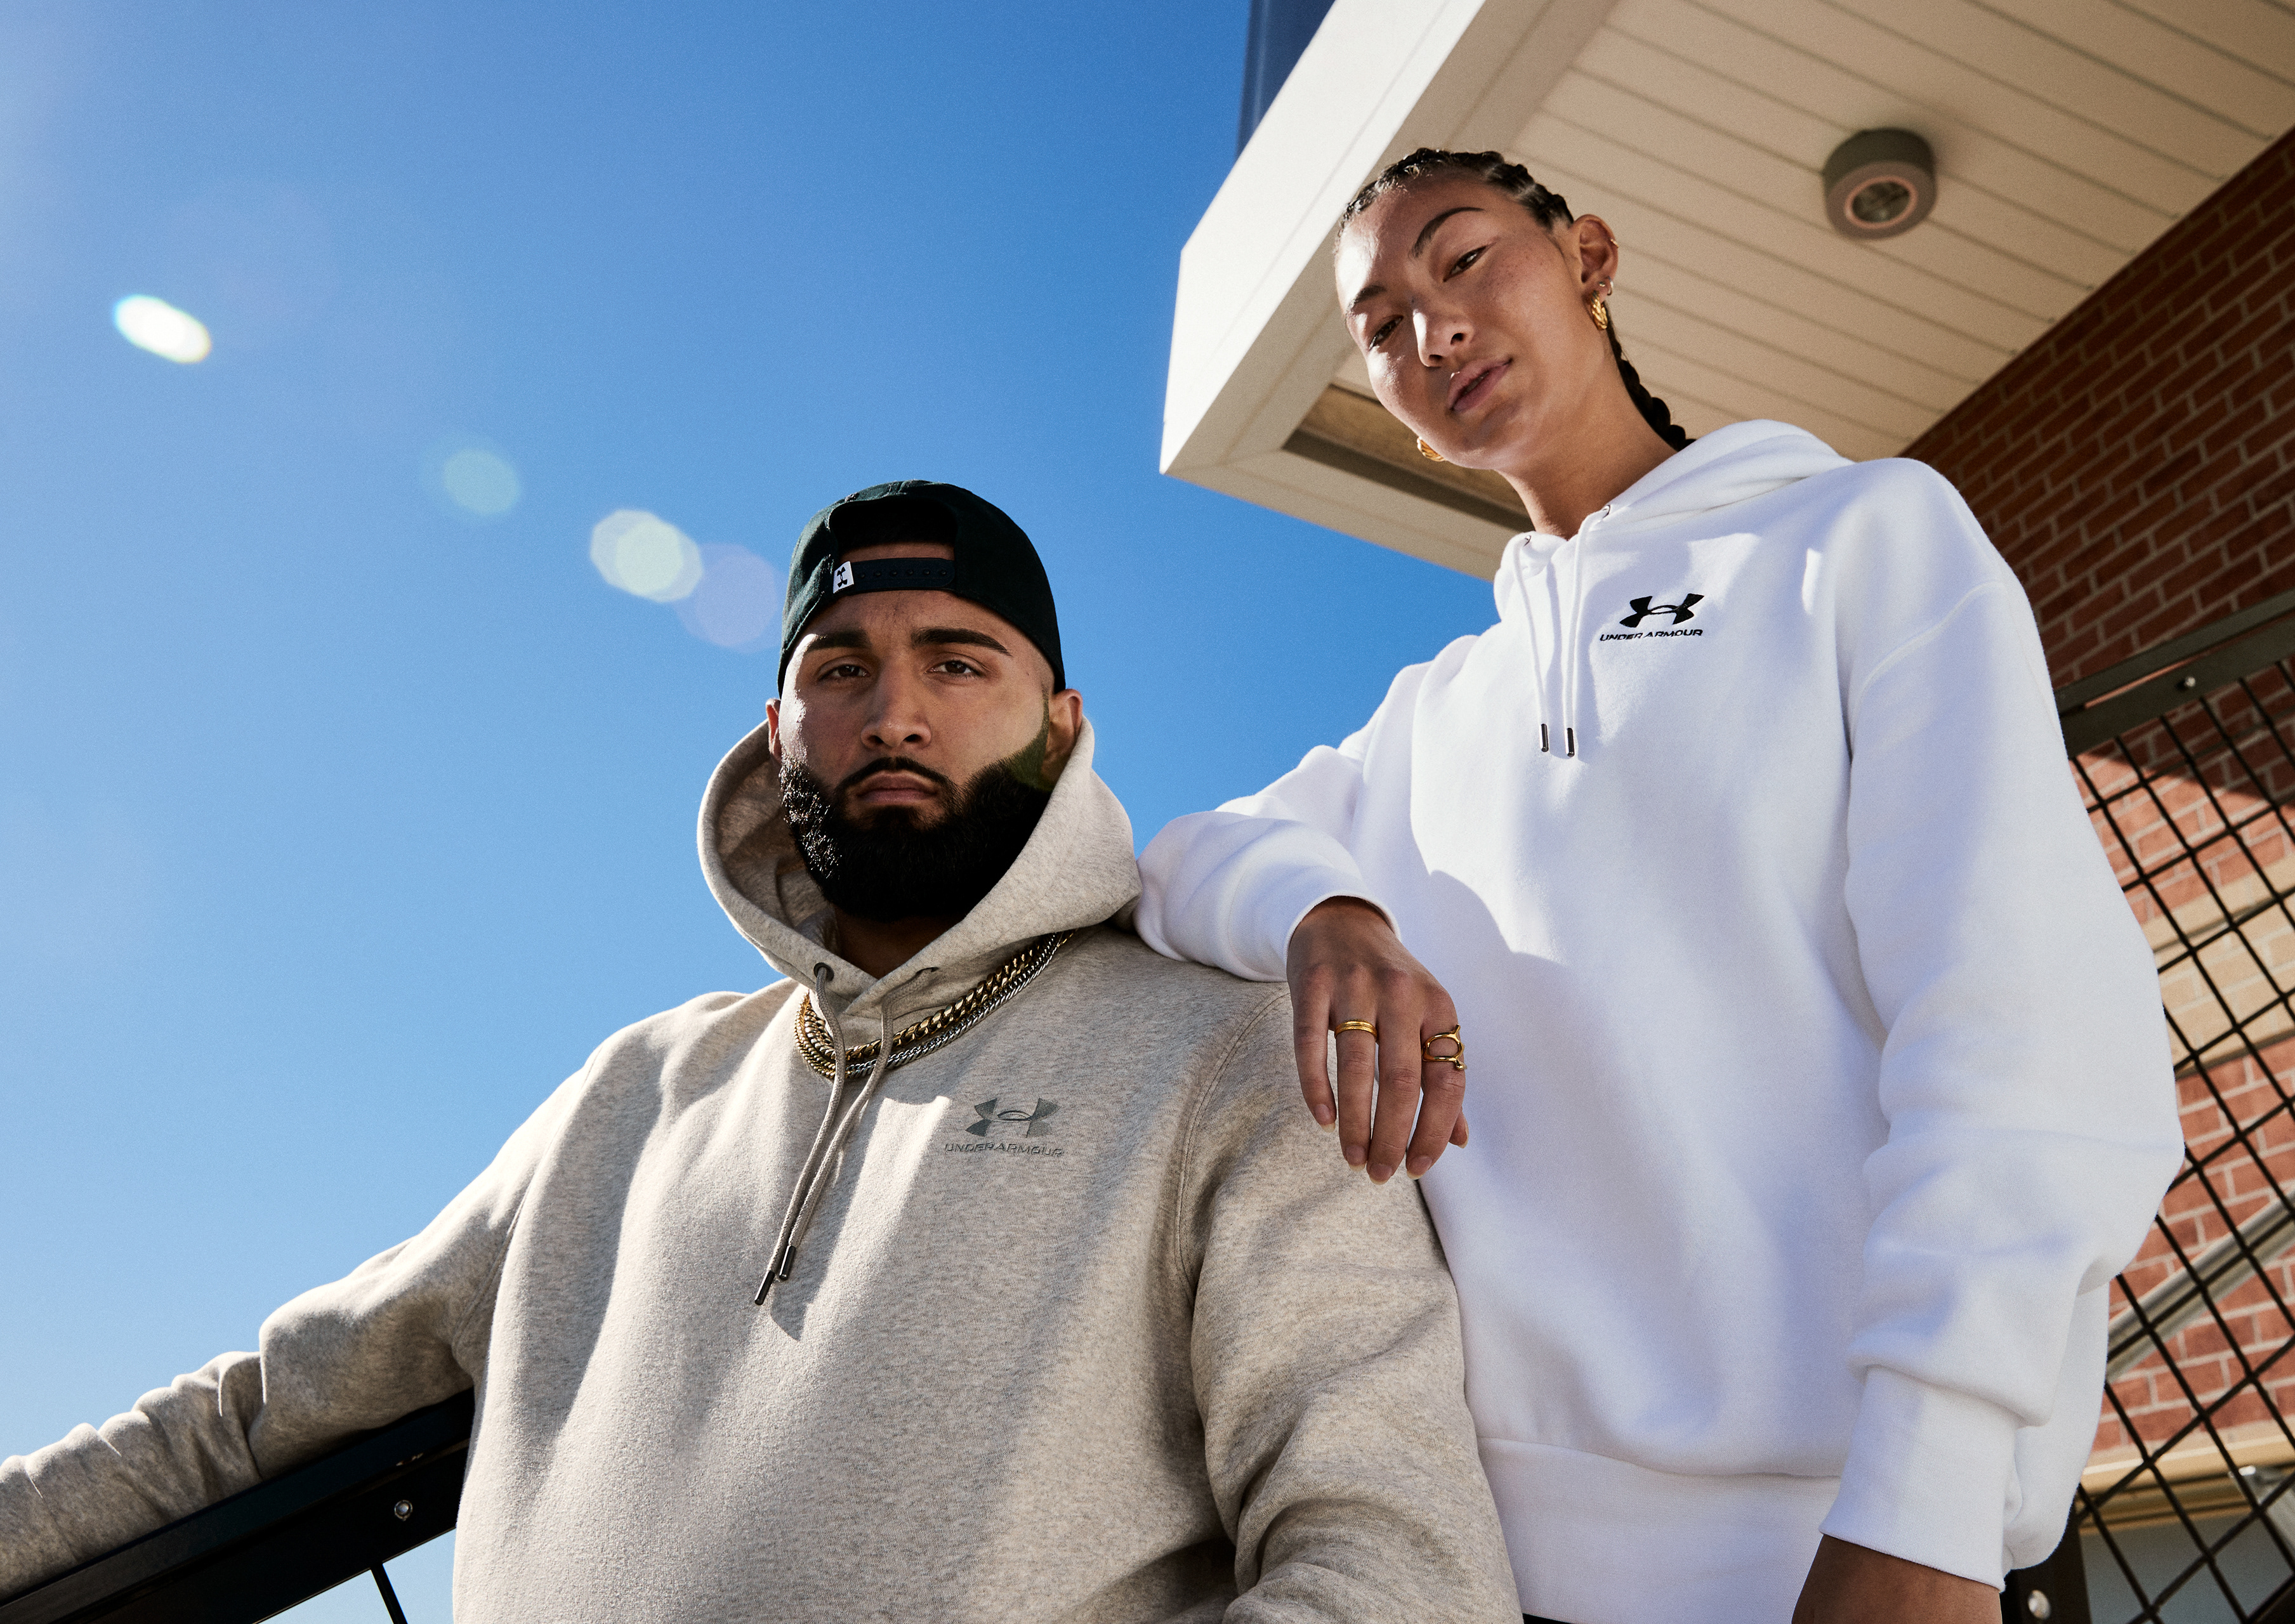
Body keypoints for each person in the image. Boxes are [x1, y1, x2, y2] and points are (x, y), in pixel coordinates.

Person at [0, 480, 1522, 1623]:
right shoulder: (637, 1089)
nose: (895, 710)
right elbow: (257, 1419)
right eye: (840, 668)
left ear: (1062, 725)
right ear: (778, 725)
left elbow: (1398, 1572)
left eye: (959, 662)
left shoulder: (1241, 1060)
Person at [1135, 151, 2185, 1624]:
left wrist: (1928, 1498)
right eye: (1380, 326)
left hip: (1860, 1545)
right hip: (1497, 1571)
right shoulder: (1435, 713)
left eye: (1463, 259)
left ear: (1591, 259)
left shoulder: (1861, 539)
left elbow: (2026, 1015)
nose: (1432, 329)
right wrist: (1330, 915)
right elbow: (1180, 857)